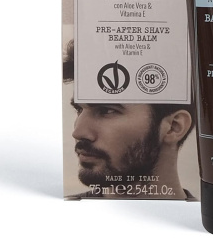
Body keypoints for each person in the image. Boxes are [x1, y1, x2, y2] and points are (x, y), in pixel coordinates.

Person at [63, 39, 195, 199]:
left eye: (106, 110)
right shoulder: (59, 213)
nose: (78, 132)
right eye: (79, 109)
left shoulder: (205, 214)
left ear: (174, 127)